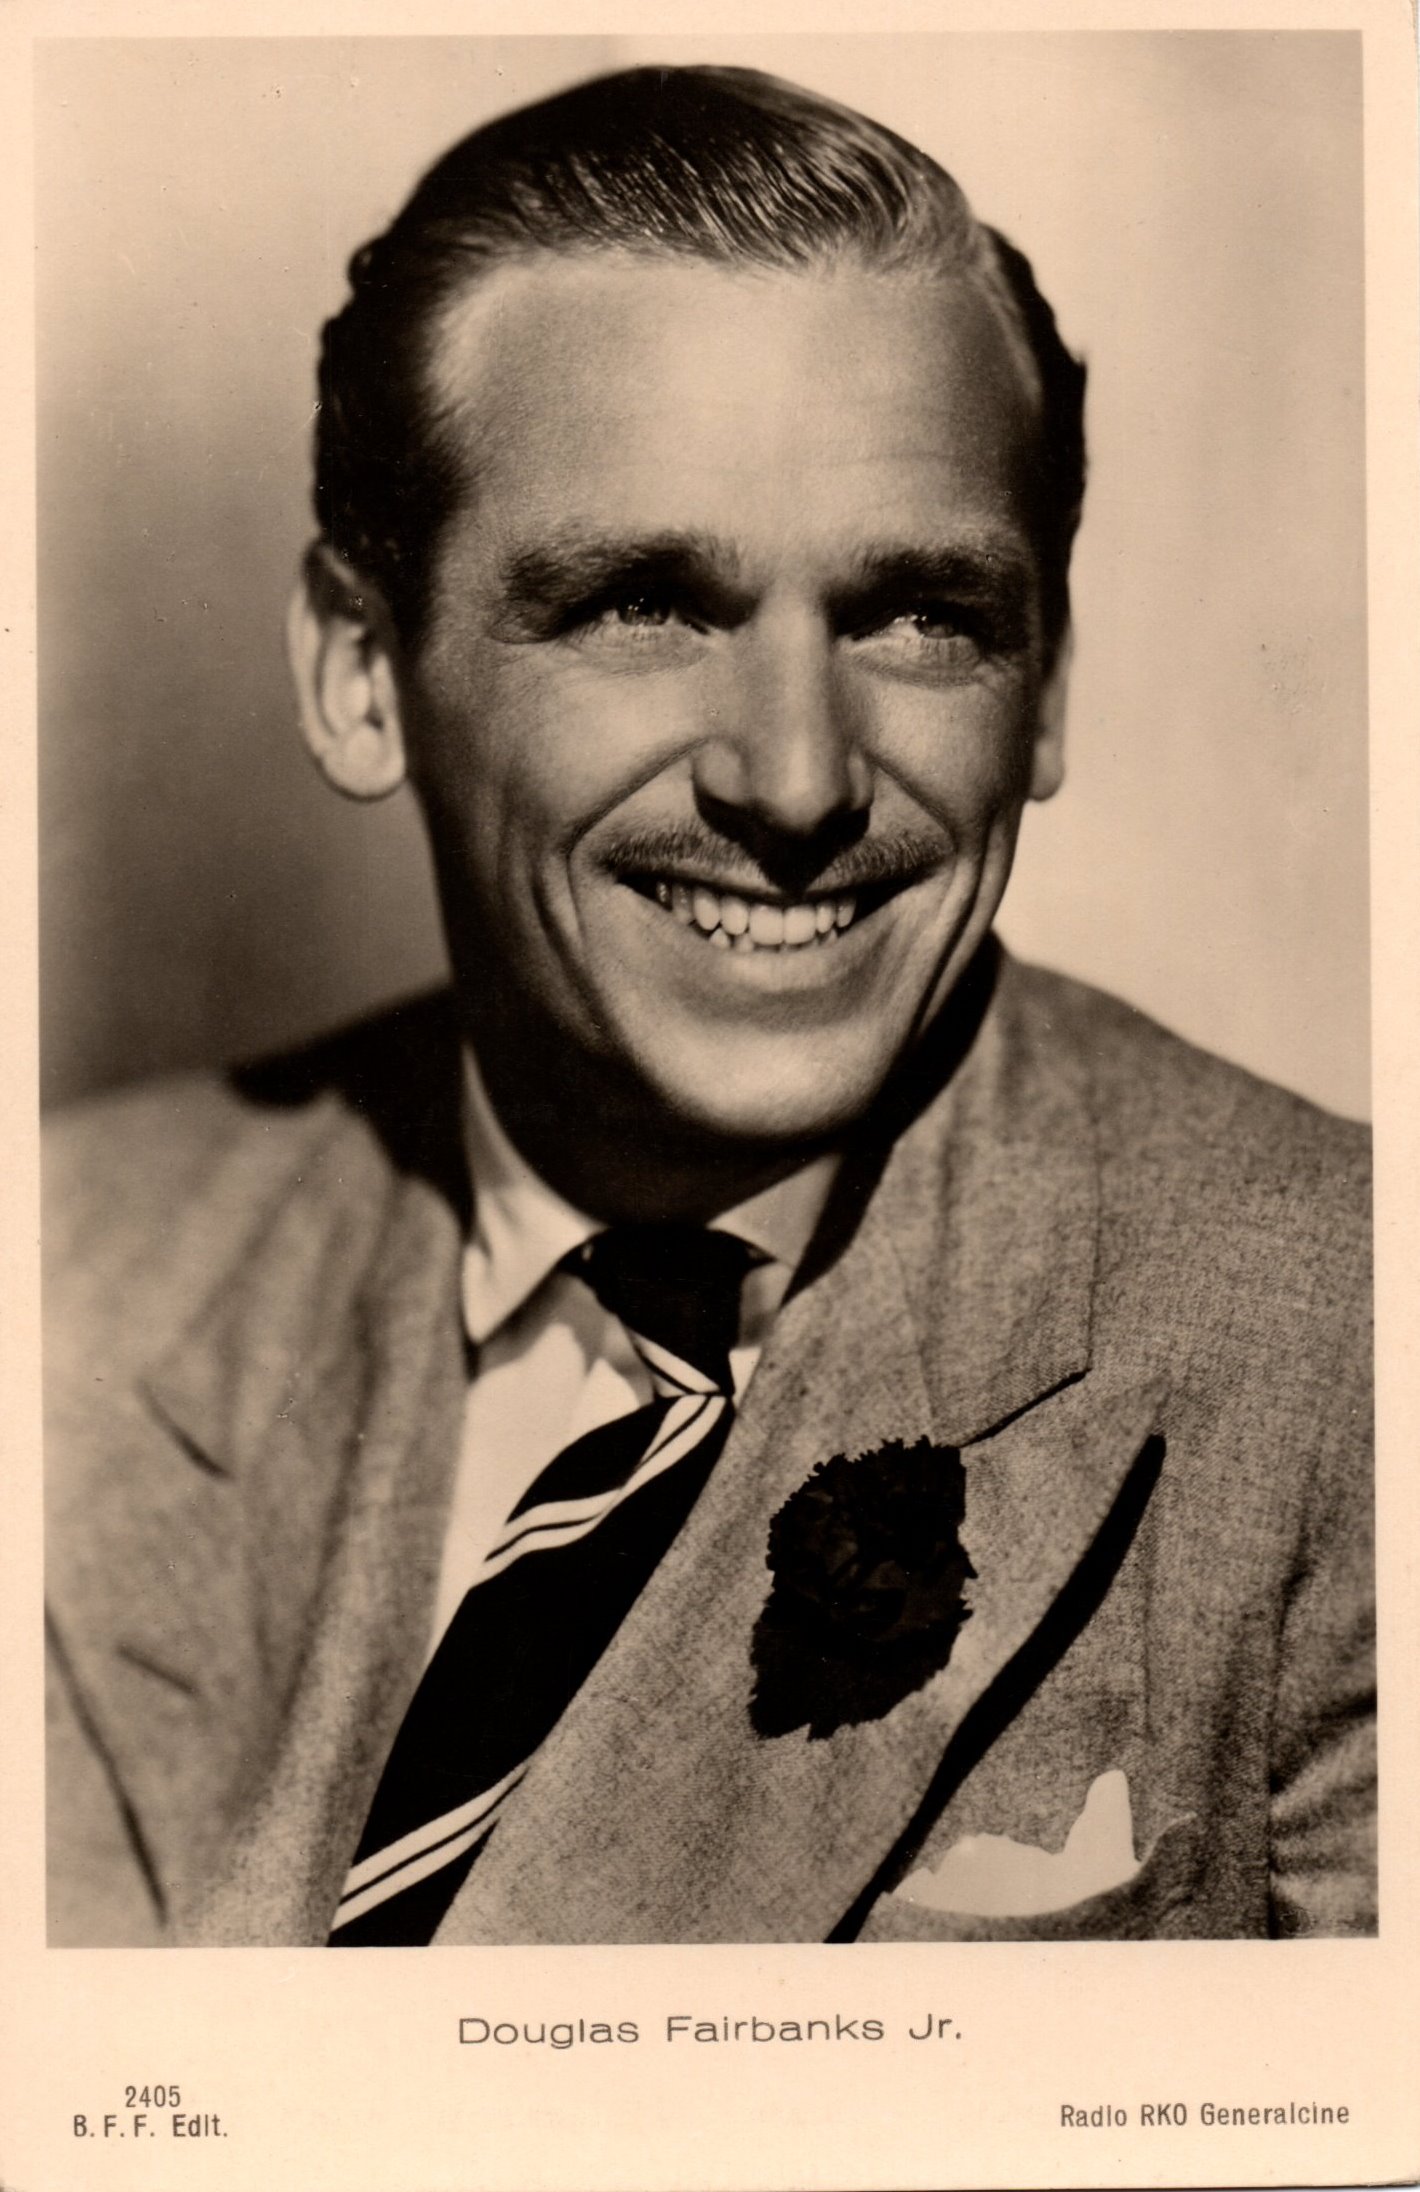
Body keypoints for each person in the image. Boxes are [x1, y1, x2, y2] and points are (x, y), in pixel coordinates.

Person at [43, 65, 1374, 1948]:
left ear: (1048, 687)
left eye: (920, 616)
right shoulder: (70, 1277)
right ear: (360, 671)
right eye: (645, 604)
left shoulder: (1347, 1350)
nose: (797, 778)